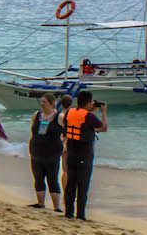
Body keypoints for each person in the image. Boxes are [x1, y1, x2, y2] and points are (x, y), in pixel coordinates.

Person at [63, 91, 109, 221]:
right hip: (84, 155)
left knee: (71, 184)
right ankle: (80, 214)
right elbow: (104, 128)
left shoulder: (70, 112)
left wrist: (91, 112)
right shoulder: (89, 116)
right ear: (89, 103)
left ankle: (68, 212)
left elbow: (81, 124)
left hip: (71, 153)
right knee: (83, 186)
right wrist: (104, 112)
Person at [28, 93, 65, 211]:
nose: (42, 104)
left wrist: (65, 144)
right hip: (36, 151)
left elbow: (68, 132)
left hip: (52, 153)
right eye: (41, 102)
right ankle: (40, 203)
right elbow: (32, 130)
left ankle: (57, 207)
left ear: (52, 103)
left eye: (45, 102)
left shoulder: (60, 117)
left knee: (52, 179)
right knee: (38, 178)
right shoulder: (36, 115)